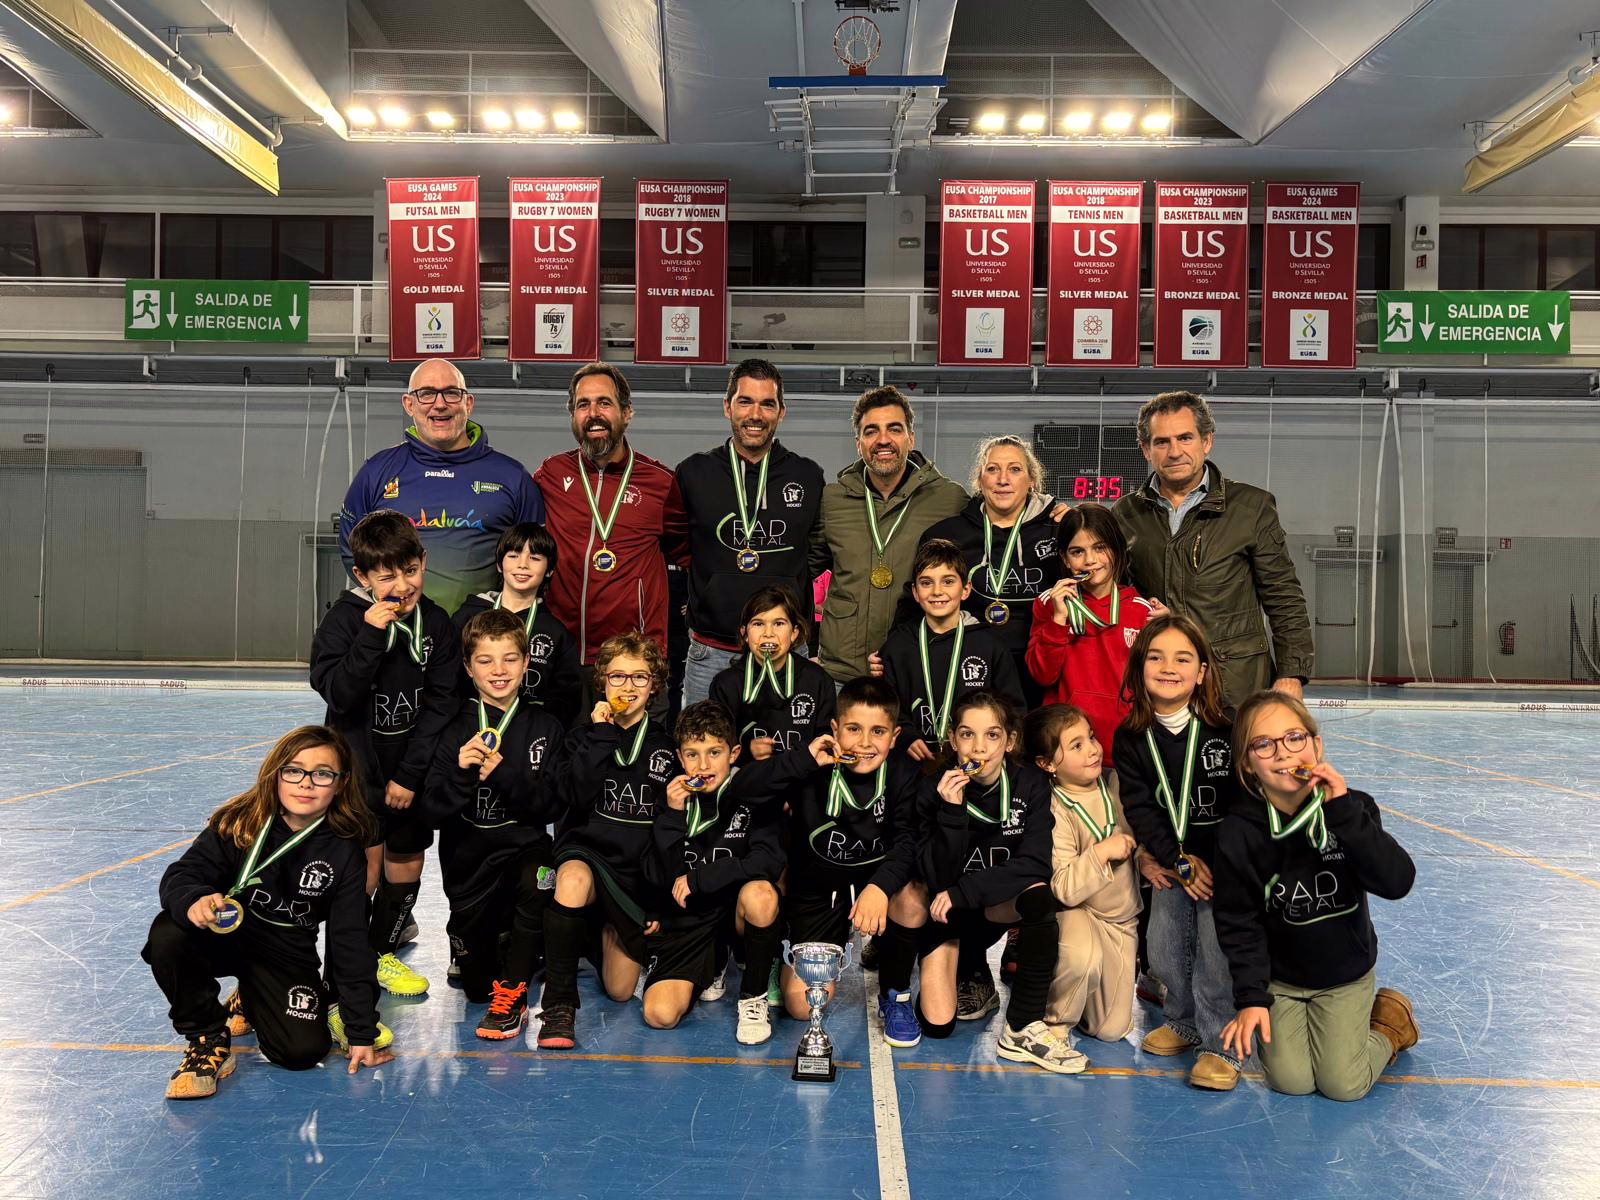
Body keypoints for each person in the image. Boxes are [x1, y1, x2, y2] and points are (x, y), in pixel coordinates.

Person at [142, 726, 391, 1099]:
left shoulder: (345, 850)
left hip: (287, 949)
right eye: (294, 770)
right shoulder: (239, 821)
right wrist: (194, 899)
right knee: (169, 933)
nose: (306, 783)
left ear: (340, 784)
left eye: (322, 774)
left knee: (301, 1053)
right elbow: (183, 874)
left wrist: (360, 1031)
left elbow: (350, 940)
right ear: (275, 774)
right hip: (227, 935)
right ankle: (207, 1036)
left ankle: (253, 994)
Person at [1216, 691, 1419, 1101]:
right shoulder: (1238, 833)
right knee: (1290, 1082)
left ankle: (1389, 1027)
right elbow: (1240, 923)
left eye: (1294, 737)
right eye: (1263, 744)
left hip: (1344, 976)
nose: (1283, 753)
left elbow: (1397, 882)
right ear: (1247, 766)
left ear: (1316, 744)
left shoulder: (1353, 808)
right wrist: (1253, 998)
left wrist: (1343, 813)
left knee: (1343, 1086)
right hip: (1282, 982)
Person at [310, 510, 459, 998]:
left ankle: (380, 954)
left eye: (410, 570)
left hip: (411, 775)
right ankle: (342, 973)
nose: (402, 585)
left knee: (407, 862)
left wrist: (412, 776)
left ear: (423, 561)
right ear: (361, 576)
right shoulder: (344, 620)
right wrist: (371, 636)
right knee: (363, 874)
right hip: (358, 778)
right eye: (386, 576)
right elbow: (341, 695)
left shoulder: (436, 623)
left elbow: (440, 706)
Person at [1112, 390, 1314, 708]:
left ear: (1207, 441)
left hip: (1237, 684)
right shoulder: (1125, 513)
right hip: (1160, 685)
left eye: (1185, 438)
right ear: (1145, 450)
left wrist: (1292, 673)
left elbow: (1283, 597)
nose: (1174, 451)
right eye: (1161, 442)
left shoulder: (1252, 507)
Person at [916, 692, 1081, 1073]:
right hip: (944, 918)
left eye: (992, 736)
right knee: (938, 1025)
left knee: (1038, 898)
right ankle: (970, 969)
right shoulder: (932, 789)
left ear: (1009, 741)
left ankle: (1022, 1027)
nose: (979, 748)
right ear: (953, 740)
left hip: (988, 909)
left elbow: (1035, 864)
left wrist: (966, 891)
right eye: (967, 735)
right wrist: (951, 814)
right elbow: (935, 879)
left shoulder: (1031, 785)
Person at [423, 609, 568, 1040]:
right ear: (468, 668)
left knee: (538, 877)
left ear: (527, 663)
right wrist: (461, 773)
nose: (499, 671)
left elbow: (551, 808)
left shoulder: (545, 727)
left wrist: (504, 775)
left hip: (523, 850)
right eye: (486, 661)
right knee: (474, 989)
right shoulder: (453, 730)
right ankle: (499, 947)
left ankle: (515, 992)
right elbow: (430, 812)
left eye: (509, 659)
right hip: (469, 863)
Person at [642, 701, 823, 1045]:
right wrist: (673, 815)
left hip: (736, 911)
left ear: (734, 752)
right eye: (692, 755)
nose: (704, 765)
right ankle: (713, 964)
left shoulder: (753, 793)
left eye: (714, 752)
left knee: (762, 894)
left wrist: (702, 877)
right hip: (691, 922)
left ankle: (753, 996)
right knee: (659, 1015)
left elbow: (768, 862)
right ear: (680, 758)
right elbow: (656, 878)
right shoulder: (671, 797)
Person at [1116, 614, 1242, 1090]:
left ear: (1202, 671)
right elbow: (1141, 807)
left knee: (1216, 954)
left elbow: (1244, 801)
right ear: (1139, 667)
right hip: (1175, 862)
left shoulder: (1226, 727)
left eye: (1183, 658)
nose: (1169, 667)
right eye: (1156, 657)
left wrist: (1219, 861)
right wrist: (1178, 860)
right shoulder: (1131, 737)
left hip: (1225, 865)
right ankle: (1183, 1019)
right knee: (1166, 948)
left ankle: (1219, 1043)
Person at [536, 632, 679, 1050]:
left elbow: (670, 834)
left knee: (620, 990)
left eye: (640, 677)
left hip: (633, 876)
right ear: (602, 683)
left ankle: (590, 934)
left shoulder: (667, 749)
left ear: (654, 686)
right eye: (618, 676)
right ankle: (559, 1006)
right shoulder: (582, 737)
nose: (628, 687)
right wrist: (601, 735)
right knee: (573, 879)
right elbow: (574, 797)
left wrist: (657, 901)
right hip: (586, 856)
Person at [781, 676, 927, 1047]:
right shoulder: (813, 765)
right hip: (819, 888)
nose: (864, 743)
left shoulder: (904, 774)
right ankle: (789, 951)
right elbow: (746, 790)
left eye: (878, 731)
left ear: (894, 738)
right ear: (835, 730)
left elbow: (908, 842)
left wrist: (880, 887)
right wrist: (798, 761)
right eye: (853, 729)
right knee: (801, 1007)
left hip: (876, 882)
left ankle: (895, 994)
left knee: (911, 897)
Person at [340, 358, 545, 615]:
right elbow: (352, 550)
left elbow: (537, 556)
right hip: (398, 636)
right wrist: (392, 603)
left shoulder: (512, 477)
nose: (439, 404)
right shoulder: (376, 472)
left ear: (468, 403)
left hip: (483, 641)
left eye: (451, 393)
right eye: (426, 393)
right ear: (409, 405)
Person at [676, 359, 826, 706]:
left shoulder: (806, 475)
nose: (755, 414)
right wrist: (714, 587)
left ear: (781, 412)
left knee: (789, 754)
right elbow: (677, 544)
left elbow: (817, 549)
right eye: (745, 401)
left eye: (767, 404)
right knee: (703, 755)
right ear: (727, 406)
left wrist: (786, 581)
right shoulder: (694, 472)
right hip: (711, 653)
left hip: (788, 652)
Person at [533, 363, 689, 677]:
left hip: (635, 660)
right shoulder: (551, 473)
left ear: (626, 412)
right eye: (582, 405)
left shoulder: (661, 483)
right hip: (563, 656)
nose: (593, 413)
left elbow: (686, 553)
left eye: (604, 403)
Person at [816, 386, 967, 684]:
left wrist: (1052, 513)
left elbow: (998, 526)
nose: (883, 439)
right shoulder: (832, 500)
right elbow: (799, 568)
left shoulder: (950, 499)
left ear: (911, 438)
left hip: (917, 669)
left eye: (894, 429)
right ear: (859, 443)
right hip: (843, 673)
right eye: (871, 431)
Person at [1027, 704, 1141, 1048]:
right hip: (1080, 914)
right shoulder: (1054, 808)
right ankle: (1056, 1022)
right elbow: (1062, 887)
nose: (1092, 749)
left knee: (1110, 1029)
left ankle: (1087, 992)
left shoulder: (1116, 783)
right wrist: (1102, 851)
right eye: (1075, 745)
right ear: (1047, 764)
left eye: (1090, 738)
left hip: (1121, 921)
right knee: (1081, 957)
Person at [917, 436, 1061, 704]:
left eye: (1015, 469)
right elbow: (914, 602)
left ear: (1032, 480)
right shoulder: (947, 535)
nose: (1002, 479)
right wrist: (892, 652)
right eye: (992, 469)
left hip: (1041, 672)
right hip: (967, 668)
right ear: (980, 480)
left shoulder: (1060, 530)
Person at [1026, 503, 1162, 767]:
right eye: (1078, 551)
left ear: (1116, 549)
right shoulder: (1049, 604)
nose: (1090, 560)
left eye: (1100, 548)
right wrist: (1058, 620)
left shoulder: (1141, 610)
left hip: (1125, 745)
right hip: (1069, 749)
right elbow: (1042, 675)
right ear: (1065, 559)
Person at [878, 539, 1024, 761]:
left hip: (978, 760)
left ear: (965, 590)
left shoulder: (989, 645)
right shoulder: (898, 645)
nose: (937, 591)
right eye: (926, 583)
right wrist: (905, 734)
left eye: (948, 581)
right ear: (915, 593)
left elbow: (1014, 709)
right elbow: (887, 706)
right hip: (916, 762)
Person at [451, 522, 582, 728]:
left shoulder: (556, 632)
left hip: (530, 735)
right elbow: (447, 676)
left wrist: (540, 731)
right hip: (470, 727)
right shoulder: (469, 615)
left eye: (535, 558)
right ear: (499, 564)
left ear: (549, 570)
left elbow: (567, 697)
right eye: (513, 555)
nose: (523, 564)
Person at [709, 585, 837, 759]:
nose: (768, 633)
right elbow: (716, 748)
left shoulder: (818, 680)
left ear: (794, 633)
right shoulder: (725, 684)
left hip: (803, 780)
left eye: (779, 623)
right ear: (745, 634)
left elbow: (827, 743)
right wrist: (747, 750)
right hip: (748, 780)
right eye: (758, 624)